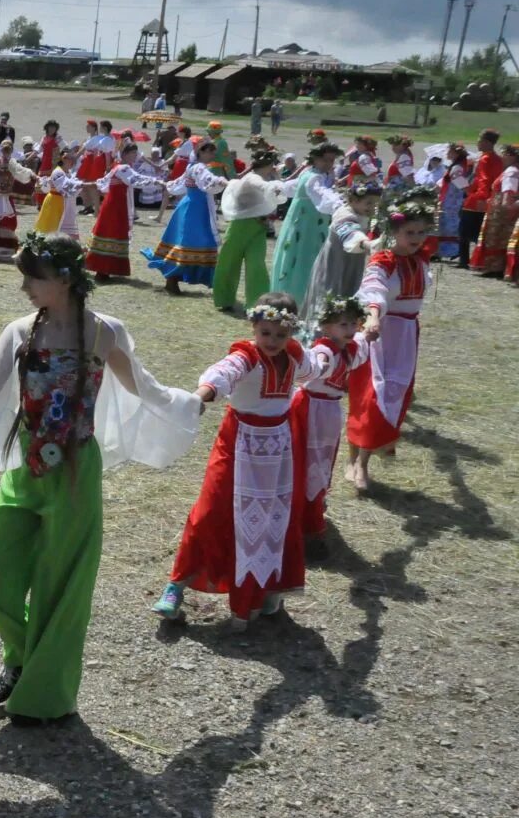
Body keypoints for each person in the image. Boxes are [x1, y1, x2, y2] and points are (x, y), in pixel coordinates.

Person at [0, 232, 201, 721]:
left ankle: (42, 697)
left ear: (64, 279)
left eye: (32, 278)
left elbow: (144, 387)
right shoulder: (21, 332)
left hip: (78, 475)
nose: (23, 288)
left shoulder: (106, 332)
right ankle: (23, 655)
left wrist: (190, 403)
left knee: (59, 590)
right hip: (26, 467)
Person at [154, 295, 313, 629]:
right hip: (238, 442)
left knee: (275, 517)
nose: (272, 341)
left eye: (280, 335)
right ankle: (176, 586)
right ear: (254, 327)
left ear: (292, 334)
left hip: (278, 449)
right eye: (265, 332)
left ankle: (269, 587)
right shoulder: (246, 356)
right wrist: (202, 396)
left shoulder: (296, 356)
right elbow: (223, 373)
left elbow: (316, 368)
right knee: (211, 509)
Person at [346, 197, 434, 492]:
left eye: (422, 232)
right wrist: (372, 317)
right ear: (394, 232)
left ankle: (363, 453)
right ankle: (359, 462)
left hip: (406, 336)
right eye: (410, 232)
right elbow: (374, 288)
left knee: (395, 395)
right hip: (379, 333)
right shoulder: (383, 261)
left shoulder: (421, 261)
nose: (417, 239)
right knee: (372, 395)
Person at [295, 294, 367, 548]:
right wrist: (321, 367)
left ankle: (313, 502)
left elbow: (362, 343)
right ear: (327, 327)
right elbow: (319, 362)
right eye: (342, 324)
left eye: (352, 324)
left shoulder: (352, 349)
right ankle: (304, 512)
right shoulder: (324, 349)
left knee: (323, 458)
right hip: (310, 407)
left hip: (329, 410)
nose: (349, 330)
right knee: (306, 458)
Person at [143, 138, 229, 295]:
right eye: (209, 151)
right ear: (200, 152)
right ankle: (172, 280)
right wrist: (221, 181)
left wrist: (166, 185)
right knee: (189, 242)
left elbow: (179, 183)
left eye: (213, 152)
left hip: (193, 207)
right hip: (194, 209)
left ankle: (174, 280)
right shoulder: (198, 167)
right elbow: (207, 180)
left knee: (193, 242)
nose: (212, 154)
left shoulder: (192, 166)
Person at [212, 148, 288, 311]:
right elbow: (260, 185)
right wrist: (272, 185)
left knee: (257, 266)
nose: (274, 168)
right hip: (240, 226)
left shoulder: (264, 177)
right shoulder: (253, 178)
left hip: (257, 228)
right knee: (229, 263)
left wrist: (275, 180)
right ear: (268, 164)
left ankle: (258, 305)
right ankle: (224, 299)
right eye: (273, 165)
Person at [268, 142, 343, 303]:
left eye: (332, 160)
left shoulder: (318, 174)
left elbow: (293, 187)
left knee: (310, 255)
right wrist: (340, 204)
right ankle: (298, 296)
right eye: (326, 160)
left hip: (314, 222)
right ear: (315, 159)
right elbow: (320, 193)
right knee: (302, 256)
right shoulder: (313, 176)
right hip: (305, 224)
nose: (329, 164)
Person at [303, 180, 381, 325]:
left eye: (375, 204)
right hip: (334, 261)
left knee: (349, 292)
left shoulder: (367, 216)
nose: (372, 207)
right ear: (352, 200)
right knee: (329, 293)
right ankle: (322, 332)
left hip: (353, 262)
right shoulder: (343, 213)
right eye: (369, 203)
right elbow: (349, 230)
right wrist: (366, 244)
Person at [83, 141, 146, 280]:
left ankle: (105, 268)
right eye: (133, 154)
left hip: (114, 203)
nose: (135, 156)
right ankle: (102, 270)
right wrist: (157, 181)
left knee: (111, 231)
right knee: (111, 232)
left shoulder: (117, 166)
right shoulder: (123, 167)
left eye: (136, 153)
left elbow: (103, 183)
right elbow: (137, 180)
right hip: (115, 204)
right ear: (125, 154)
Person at [469, 143, 519, 279]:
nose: (502, 157)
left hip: (500, 210)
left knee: (495, 238)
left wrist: (505, 205)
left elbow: (508, 191)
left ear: (511, 156)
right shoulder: (513, 170)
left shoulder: (512, 172)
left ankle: (494, 267)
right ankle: (498, 267)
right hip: (501, 208)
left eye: (504, 154)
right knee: (500, 238)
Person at [458, 129, 501, 268]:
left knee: (465, 232)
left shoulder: (485, 159)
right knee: (479, 232)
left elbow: (484, 179)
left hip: (477, 199)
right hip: (489, 197)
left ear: (487, 142)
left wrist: (479, 197)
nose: (478, 142)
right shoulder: (497, 158)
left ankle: (464, 261)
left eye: (480, 140)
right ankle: (483, 260)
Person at [31, 145, 81, 239]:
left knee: (61, 227)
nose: (71, 161)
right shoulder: (58, 171)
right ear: (62, 159)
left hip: (63, 202)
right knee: (50, 227)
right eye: (67, 158)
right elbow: (66, 187)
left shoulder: (69, 173)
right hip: (54, 201)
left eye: (72, 158)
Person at [435, 144, 469, 261]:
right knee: (447, 222)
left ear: (456, 154)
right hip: (449, 197)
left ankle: (454, 250)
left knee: (450, 223)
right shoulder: (455, 166)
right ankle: (446, 250)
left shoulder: (457, 167)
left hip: (452, 198)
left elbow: (460, 182)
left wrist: (468, 192)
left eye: (450, 152)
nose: (447, 154)